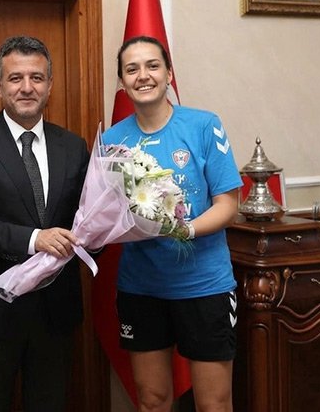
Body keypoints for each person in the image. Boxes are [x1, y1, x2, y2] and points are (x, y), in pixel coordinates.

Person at [0, 35, 89, 412]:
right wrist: (35, 239)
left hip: (54, 315)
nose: (27, 87)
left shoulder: (73, 147)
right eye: (15, 78)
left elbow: (86, 219)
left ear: (49, 85)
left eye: (36, 78)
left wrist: (110, 230)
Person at [102, 35, 242, 412]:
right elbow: (107, 212)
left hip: (204, 285)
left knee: (213, 403)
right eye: (132, 69)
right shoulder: (112, 141)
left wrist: (185, 229)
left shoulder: (203, 125)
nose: (143, 75)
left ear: (169, 74)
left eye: (153, 65)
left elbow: (228, 205)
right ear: (122, 81)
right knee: (152, 400)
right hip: (142, 287)